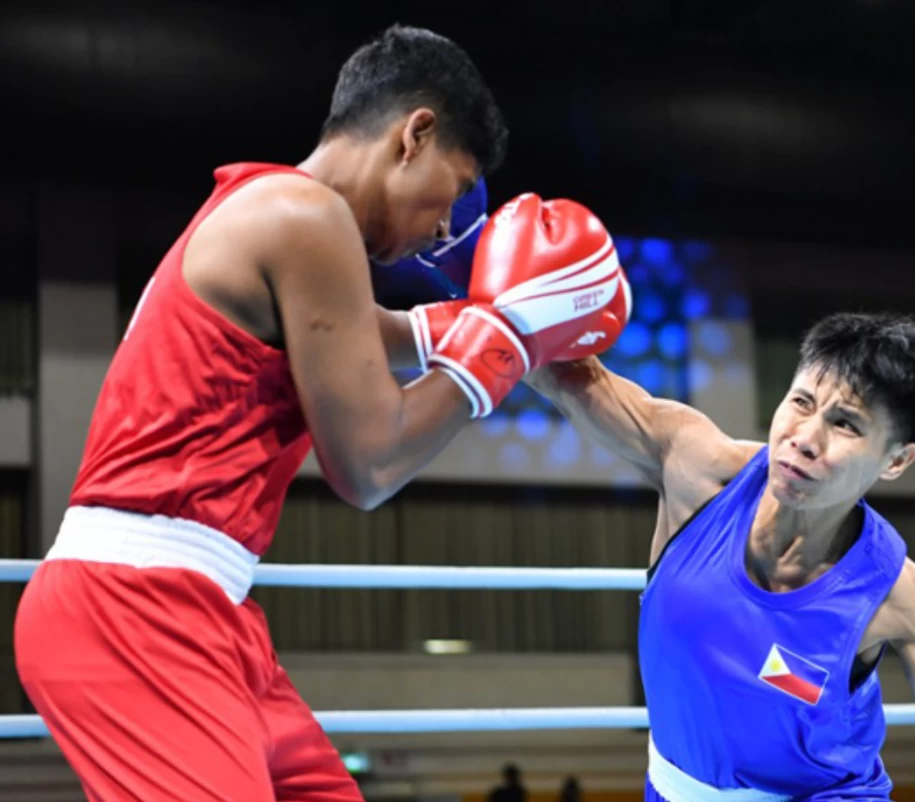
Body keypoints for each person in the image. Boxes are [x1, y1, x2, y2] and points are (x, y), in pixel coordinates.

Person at [13, 24, 627, 802]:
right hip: (133, 607)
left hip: (207, 615)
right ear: (415, 134)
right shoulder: (305, 217)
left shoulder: (274, 212)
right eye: (452, 190)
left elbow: (396, 335)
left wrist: (507, 327)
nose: (442, 231)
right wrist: (505, 340)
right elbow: (369, 466)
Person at [520, 312, 915, 800]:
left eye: (846, 424)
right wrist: (474, 288)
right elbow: (570, 378)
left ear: (896, 460)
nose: (804, 438)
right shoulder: (696, 469)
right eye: (801, 403)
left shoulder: (900, 596)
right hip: (674, 789)